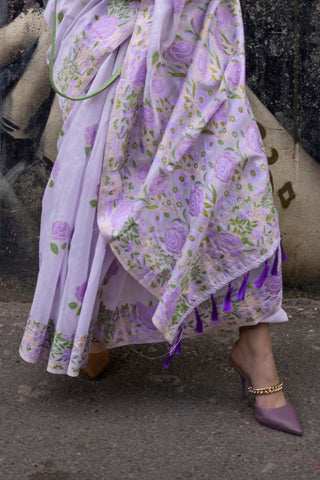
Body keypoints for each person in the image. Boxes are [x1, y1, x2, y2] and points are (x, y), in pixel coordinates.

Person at [20, 0, 302, 436]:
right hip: (123, 30)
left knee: (235, 186)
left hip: (203, 34)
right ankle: (93, 329)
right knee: (107, 180)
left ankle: (255, 348)